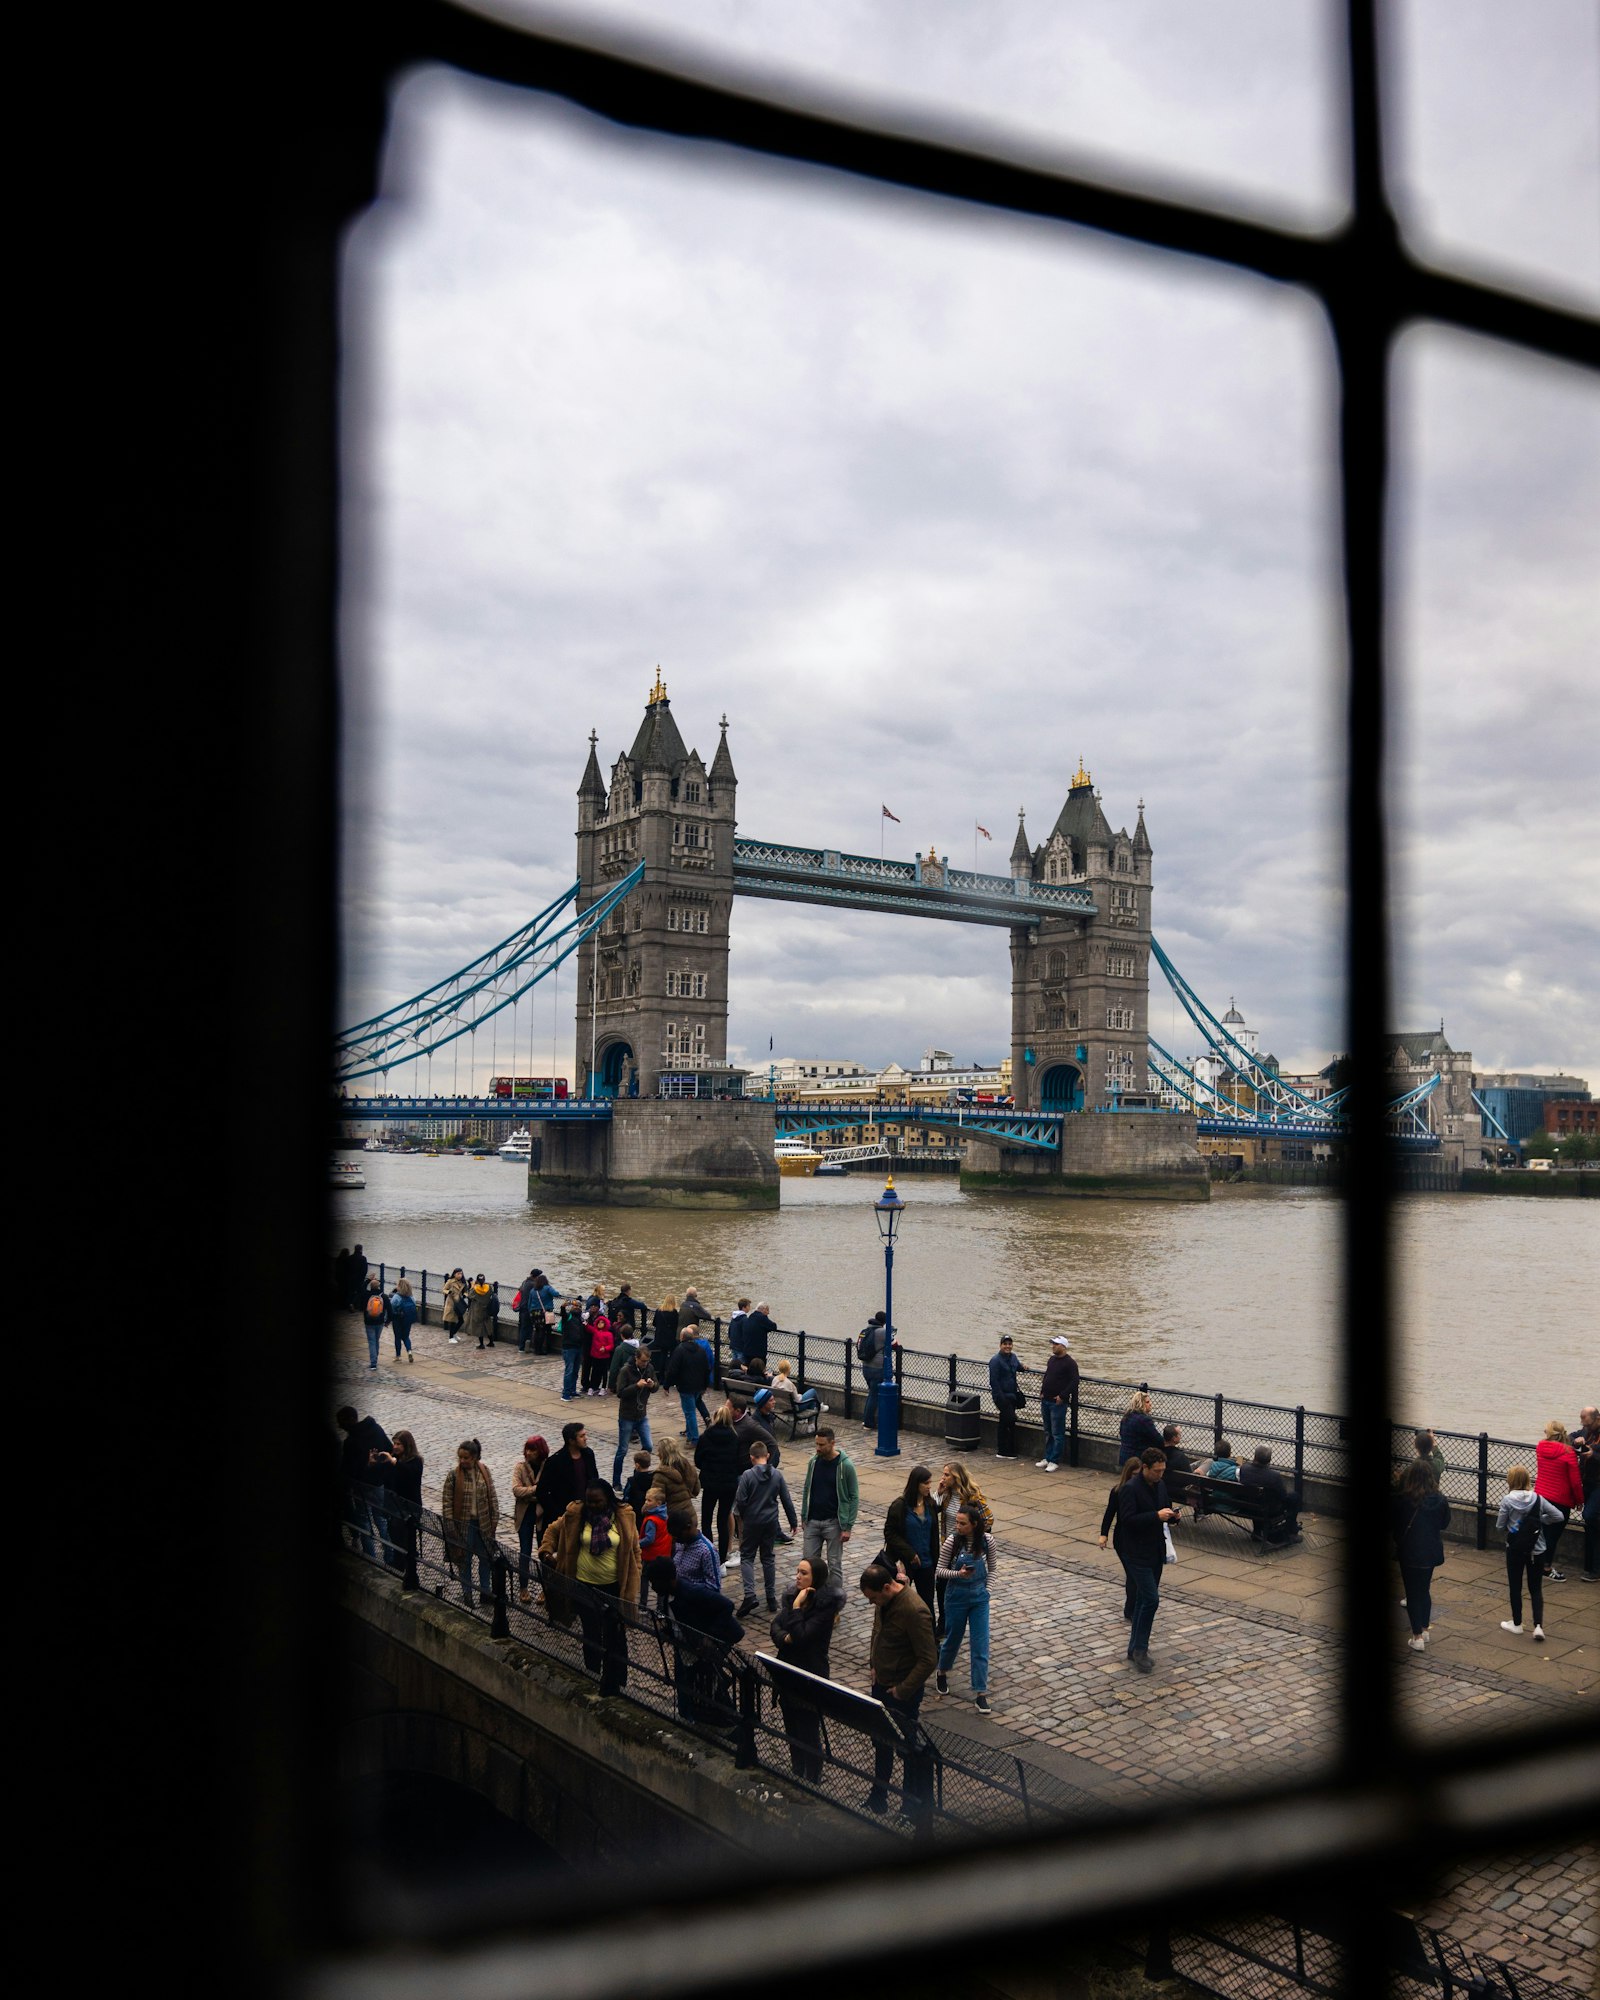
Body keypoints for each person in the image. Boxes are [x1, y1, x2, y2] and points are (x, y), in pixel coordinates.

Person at [539, 1481, 639, 1695]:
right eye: (589, 1501)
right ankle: (592, 1676)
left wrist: (635, 1575)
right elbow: (552, 1531)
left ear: (608, 1500)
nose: (592, 1505)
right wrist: (546, 1551)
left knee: (616, 1638)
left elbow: (635, 1550)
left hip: (613, 1588)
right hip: (583, 1585)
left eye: (598, 1501)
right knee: (591, 1634)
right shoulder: (576, 1514)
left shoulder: (624, 1516)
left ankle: (617, 1682)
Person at [859, 1560, 938, 1815]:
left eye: (873, 1599)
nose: (872, 1604)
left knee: (908, 1751)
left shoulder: (914, 1610)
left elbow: (928, 1658)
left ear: (885, 1587)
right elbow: (876, 1632)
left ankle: (910, 1808)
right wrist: (873, 1665)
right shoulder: (883, 1602)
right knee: (881, 1744)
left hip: (902, 1693)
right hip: (881, 1685)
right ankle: (878, 1797)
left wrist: (903, 1689)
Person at [769, 1556, 845, 1781]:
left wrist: (795, 1609)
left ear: (816, 1578)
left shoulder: (825, 1607)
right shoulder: (795, 1595)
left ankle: (812, 1776)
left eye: (804, 1573)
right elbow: (775, 1626)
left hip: (809, 1675)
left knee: (808, 1729)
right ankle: (796, 1770)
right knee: (791, 1726)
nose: (798, 1576)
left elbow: (803, 1636)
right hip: (788, 1672)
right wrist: (786, 1638)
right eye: (798, 1571)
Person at [648, 1558, 745, 1725]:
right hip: (688, 1646)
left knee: (710, 1682)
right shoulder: (666, 1597)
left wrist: (710, 1637)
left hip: (713, 1642)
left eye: (655, 1582)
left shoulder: (691, 1592)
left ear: (668, 1580)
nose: (653, 1587)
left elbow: (727, 1605)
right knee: (688, 1681)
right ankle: (691, 1716)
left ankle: (728, 1721)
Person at [1117, 1447, 1180, 1673]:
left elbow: (1164, 1510)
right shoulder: (1129, 1489)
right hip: (1135, 1553)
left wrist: (1173, 1517)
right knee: (1151, 1599)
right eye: (1156, 1471)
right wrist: (1156, 1516)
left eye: (1163, 1470)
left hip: (1155, 1552)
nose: (1160, 1475)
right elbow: (1128, 1520)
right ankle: (1140, 1649)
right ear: (1145, 1468)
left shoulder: (1160, 1485)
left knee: (1145, 1599)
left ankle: (1134, 1647)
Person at [934, 1503, 997, 1714]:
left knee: (981, 1644)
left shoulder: (987, 1541)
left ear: (974, 1524)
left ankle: (980, 1693)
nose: (957, 1526)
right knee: (953, 1638)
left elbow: (993, 1568)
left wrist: (987, 1590)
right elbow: (940, 1571)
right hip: (956, 1597)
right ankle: (942, 1671)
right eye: (957, 1522)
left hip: (979, 1598)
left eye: (962, 1523)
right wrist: (958, 1574)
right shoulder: (952, 1542)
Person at [732, 1439, 799, 1616]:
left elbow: (740, 1500)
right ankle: (770, 1597)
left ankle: (750, 1595)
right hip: (770, 1522)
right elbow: (786, 1498)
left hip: (752, 1521)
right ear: (767, 1456)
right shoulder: (777, 1475)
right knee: (768, 1557)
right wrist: (793, 1521)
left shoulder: (747, 1475)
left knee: (747, 1556)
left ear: (751, 1457)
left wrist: (744, 1516)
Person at [1391, 1459, 1451, 1652]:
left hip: (1409, 1550)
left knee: (1412, 1593)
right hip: (1430, 1551)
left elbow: (1394, 1525)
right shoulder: (1440, 1500)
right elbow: (1444, 1523)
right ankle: (1425, 1629)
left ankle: (1416, 1636)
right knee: (1424, 1590)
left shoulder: (1402, 1499)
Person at [1496, 1466, 1562, 1639]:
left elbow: (1500, 1526)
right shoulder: (1538, 1499)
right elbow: (1559, 1516)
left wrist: (1514, 1526)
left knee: (1515, 1586)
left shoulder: (1507, 1500)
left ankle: (1517, 1624)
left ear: (1510, 1481)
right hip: (1537, 1550)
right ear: (1527, 1480)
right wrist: (1539, 1521)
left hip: (1515, 1549)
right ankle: (1538, 1626)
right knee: (1536, 1588)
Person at [934, 1462, 993, 1637]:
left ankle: (962, 1618)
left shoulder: (971, 1497)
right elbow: (932, 1508)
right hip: (947, 1545)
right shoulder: (945, 1494)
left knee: (963, 1583)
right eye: (943, 1474)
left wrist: (972, 1539)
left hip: (964, 1548)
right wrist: (938, 1491)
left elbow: (988, 1519)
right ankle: (944, 1622)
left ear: (957, 1478)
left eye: (947, 1475)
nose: (943, 1478)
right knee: (942, 1584)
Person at [441, 1440, 500, 1607]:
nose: (462, 1461)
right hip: (463, 1526)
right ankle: (467, 1593)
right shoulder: (453, 1475)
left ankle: (485, 1592)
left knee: (485, 1559)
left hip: (483, 1524)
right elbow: (447, 1504)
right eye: (460, 1457)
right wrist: (451, 1528)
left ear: (474, 1457)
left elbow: (492, 1496)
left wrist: (494, 1519)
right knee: (464, 1560)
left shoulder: (484, 1471)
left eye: (466, 1457)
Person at [800, 1427, 859, 1589]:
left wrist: (848, 1526)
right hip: (812, 1522)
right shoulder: (813, 1462)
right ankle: (811, 1598)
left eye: (822, 1445)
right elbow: (807, 1489)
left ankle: (834, 1602)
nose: (818, 1448)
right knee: (808, 1563)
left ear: (832, 1443)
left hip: (833, 1523)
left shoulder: (845, 1466)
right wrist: (804, 1516)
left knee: (834, 1565)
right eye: (816, 1444)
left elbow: (854, 1497)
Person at [336, 1404, 393, 1559]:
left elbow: (348, 1470)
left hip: (362, 1487)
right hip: (378, 1483)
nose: (340, 1425)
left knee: (364, 1522)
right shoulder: (376, 1429)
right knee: (380, 1519)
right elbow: (389, 1448)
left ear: (352, 1419)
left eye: (342, 1421)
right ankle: (390, 1556)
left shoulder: (350, 1442)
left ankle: (370, 1558)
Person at [884, 1464, 939, 1622]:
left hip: (927, 1562)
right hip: (904, 1563)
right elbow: (890, 1533)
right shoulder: (900, 1506)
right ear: (916, 1484)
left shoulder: (930, 1505)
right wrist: (909, 1553)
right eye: (926, 1483)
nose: (929, 1486)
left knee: (927, 1603)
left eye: (930, 1483)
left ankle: (930, 1640)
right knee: (899, 1602)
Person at [1097, 1455, 1146, 1622]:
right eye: (1134, 1475)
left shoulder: (1144, 1491)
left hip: (1138, 1540)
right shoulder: (1118, 1491)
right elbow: (1109, 1514)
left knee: (1135, 1576)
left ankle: (1133, 1607)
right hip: (1123, 1540)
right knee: (1132, 1575)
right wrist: (1104, 1534)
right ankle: (1130, 1609)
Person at [1534, 1421, 1584, 1581]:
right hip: (1560, 1500)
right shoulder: (1568, 1452)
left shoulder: (1540, 1447)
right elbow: (1575, 1482)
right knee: (1552, 1535)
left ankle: (1536, 1564)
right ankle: (1546, 1568)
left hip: (1540, 1496)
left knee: (1540, 1533)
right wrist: (1579, 1501)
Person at [694, 1403, 743, 1561]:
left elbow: (697, 1460)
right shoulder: (735, 1438)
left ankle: (709, 1555)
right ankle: (722, 1559)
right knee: (722, 1520)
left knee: (706, 1520)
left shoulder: (706, 1437)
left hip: (710, 1483)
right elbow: (739, 1461)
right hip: (729, 1484)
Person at [371, 1429, 423, 1573]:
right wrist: (373, 1465)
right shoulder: (394, 1460)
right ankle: (398, 1568)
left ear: (407, 1445)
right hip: (394, 1507)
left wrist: (393, 1462)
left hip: (410, 1508)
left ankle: (409, 1572)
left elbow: (410, 1475)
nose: (394, 1446)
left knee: (407, 1542)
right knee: (395, 1539)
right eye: (394, 1443)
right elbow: (384, 1478)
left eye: (398, 1444)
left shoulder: (416, 1461)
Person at [611, 1341, 658, 1485]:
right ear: (636, 1358)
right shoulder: (626, 1371)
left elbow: (656, 1386)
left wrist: (652, 1385)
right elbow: (620, 1392)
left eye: (647, 1361)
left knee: (648, 1446)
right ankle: (616, 1481)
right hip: (627, 1416)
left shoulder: (649, 1368)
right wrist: (636, 1386)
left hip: (641, 1415)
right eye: (643, 1361)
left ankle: (637, 1475)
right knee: (623, 1450)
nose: (645, 1363)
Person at [535, 1421, 600, 1522]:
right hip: (566, 1514)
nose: (585, 1438)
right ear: (571, 1440)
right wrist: (557, 1513)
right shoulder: (556, 1461)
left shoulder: (588, 1454)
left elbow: (594, 1480)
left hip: (587, 1512)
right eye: (581, 1436)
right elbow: (542, 1491)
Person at [511, 1435, 549, 1604]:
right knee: (524, 1551)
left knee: (544, 1551)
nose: (528, 1453)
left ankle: (545, 1589)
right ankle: (523, 1587)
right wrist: (536, 1491)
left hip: (542, 1512)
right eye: (527, 1449)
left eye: (532, 1449)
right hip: (525, 1512)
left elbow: (548, 1490)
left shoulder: (547, 1467)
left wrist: (530, 1492)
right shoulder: (520, 1467)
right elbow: (516, 1490)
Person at [1241, 1445, 1302, 1544]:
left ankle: (1257, 1531)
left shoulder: (1244, 1468)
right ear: (1269, 1459)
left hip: (1247, 1508)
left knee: (1257, 1499)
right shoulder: (1274, 1476)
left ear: (1255, 1456)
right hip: (1268, 1511)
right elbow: (1283, 1496)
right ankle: (1292, 1531)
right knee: (1294, 1497)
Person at [664, 1325, 714, 1441]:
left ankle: (694, 1438)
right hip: (698, 1385)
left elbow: (673, 1370)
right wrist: (705, 1385)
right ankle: (690, 1433)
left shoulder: (680, 1350)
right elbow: (706, 1368)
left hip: (686, 1386)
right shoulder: (700, 1349)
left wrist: (667, 1385)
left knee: (689, 1412)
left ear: (682, 1337)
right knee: (691, 1409)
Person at [1035, 1334, 1077, 1471]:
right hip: (1046, 1399)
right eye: (1052, 1344)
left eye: (1056, 1344)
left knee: (1057, 1433)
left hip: (1057, 1403)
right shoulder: (1052, 1360)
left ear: (1063, 1346)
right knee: (1048, 1431)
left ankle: (1054, 1460)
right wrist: (1042, 1390)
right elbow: (1047, 1375)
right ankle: (1047, 1457)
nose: (1053, 1346)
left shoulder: (1070, 1363)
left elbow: (1074, 1381)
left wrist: (1063, 1396)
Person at [1572, 1407, 1599, 1582]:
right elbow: (1569, 1436)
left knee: (1590, 1516)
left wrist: (1594, 1454)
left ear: (1596, 1418)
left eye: (1584, 1419)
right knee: (1590, 1524)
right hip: (1588, 1482)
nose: (1582, 1423)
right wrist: (1576, 1441)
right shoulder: (1585, 1431)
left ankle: (1595, 1568)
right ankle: (1591, 1567)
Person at [988, 1335, 1023, 1459]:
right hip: (1002, 1396)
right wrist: (1000, 1397)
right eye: (1005, 1344)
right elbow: (994, 1381)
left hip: (1012, 1395)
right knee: (1010, 1419)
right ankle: (1005, 1450)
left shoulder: (1013, 1357)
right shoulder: (995, 1361)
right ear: (1000, 1345)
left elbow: (1017, 1366)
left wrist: (1023, 1368)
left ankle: (1003, 1450)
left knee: (1005, 1422)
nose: (1007, 1346)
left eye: (1009, 1344)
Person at [858, 1312, 889, 1428]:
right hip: (877, 1368)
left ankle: (866, 1419)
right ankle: (868, 1423)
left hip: (866, 1367)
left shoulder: (865, 1330)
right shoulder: (882, 1332)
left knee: (872, 1394)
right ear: (885, 1321)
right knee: (874, 1395)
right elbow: (894, 1344)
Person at [1118, 1391, 1163, 1463]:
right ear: (1141, 1404)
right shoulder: (1144, 1420)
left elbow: (1121, 1433)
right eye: (1147, 1402)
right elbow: (1157, 1439)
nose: (1150, 1404)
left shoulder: (1126, 1417)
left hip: (1124, 1455)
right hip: (1138, 1458)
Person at [581, 1303, 615, 1395]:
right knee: (595, 1371)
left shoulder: (609, 1334)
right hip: (595, 1355)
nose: (600, 1324)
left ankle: (603, 1387)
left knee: (603, 1372)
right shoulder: (595, 1331)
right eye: (599, 1322)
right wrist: (585, 1322)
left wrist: (605, 1348)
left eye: (602, 1322)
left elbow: (611, 1345)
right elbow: (588, 1328)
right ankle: (593, 1387)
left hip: (604, 1356)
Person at [558, 1297, 586, 1399]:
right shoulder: (568, 1316)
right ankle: (565, 1394)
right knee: (569, 1371)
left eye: (579, 1306)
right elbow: (562, 1313)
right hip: (569, 1348)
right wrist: (563, 1306)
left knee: (575, 1371)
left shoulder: (581, 1319)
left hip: (578, 1347)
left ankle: (572, 1390)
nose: (577, 1308)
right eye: (575, 1306)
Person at [463, 1273, 497, 1351]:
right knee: (488, 1325)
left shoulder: (475, 1289)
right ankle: (491, 1342)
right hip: (486, 1309)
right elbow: (491, 1294)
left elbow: (470, 1296)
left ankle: (481, 1344)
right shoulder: (489, 1287)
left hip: (477, 1310)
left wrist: (472, 1285)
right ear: (484, 1280)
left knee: (479, 1327)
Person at [361, 1277, 389, 1369]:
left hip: (369, 1322)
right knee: (376, 1340)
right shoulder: (383, 1296)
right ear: (379, 1286)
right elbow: (390, 1310)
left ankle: (373, 1363)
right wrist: (387, 1322)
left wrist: (368, 1280)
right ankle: (375, 1359)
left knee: (371, 1341)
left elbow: (361, 1288)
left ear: (371, 1287)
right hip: (379, 1322)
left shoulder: (366, 1295)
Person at [388, 1277, 418, 1363]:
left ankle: (398, 1356)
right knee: (406, 1337)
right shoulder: (411, 1297)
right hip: (407, 1320)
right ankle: (409, 1352)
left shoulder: (396, 1297)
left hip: (397, 1319)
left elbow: (392, 1308)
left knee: (397, 1337)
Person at [649, 1294, 680, 1371]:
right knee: (672, 1355)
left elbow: (654, 1323)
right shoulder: (674, 1312)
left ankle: (661, 1374)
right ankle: (670, 1372)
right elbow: (676, 1325)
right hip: (671, 1338)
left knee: (663, 1355)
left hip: (660, 1337)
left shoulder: (659, 1310)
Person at [622, 1448, 655, 1521]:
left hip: (636, 1511)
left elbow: (626, 1496)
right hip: (651, 1510)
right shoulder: (654, 1478)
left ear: (637, 1465)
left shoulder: (632, 1480)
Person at [742, 1301, 776, 1367]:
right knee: (759, 1371)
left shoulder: (751, 1316)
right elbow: (773, 1326)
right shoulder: (762, 1318)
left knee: (749, 1371)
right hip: (758, 1353)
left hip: (747, 1351)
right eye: (767, 1310)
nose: (768, 1313)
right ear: (763, 1309)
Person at [440, 1268, 467, 1345]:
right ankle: (451, 1337)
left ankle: (454, 1333)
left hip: (459, 1303)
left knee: (461, 1320)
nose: (460, 1275)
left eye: (461, 1274)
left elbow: (466, 1291)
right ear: (454, 1274)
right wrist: (449, 1292)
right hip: (451, 1303)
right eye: (458, 1274)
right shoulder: (450, 1281)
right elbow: (443, 1290)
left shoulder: (463, 1282)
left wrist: (465, 1295)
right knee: (452, 1321)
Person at [726, 1298, 753, 1366]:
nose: (749, 1308)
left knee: (734, 1364)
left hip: (733, 1345)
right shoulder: (744, 1319)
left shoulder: (734, 1318)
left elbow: (729, 1331)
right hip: (741, 1347)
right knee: (741, 1366)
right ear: (744, 1307)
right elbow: (746, 1334)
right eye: (748, 1306)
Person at [347, 1243, 369, 1313]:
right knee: (360, 1292)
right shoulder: (363, 1258)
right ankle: (354, 1304)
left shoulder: (349, 1258)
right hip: (359, 1279)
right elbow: (364, 1270)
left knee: (351, 1292)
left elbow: (346, 1268)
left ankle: (350, 1303)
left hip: (350, 1278)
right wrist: (362, 1278)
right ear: (361, 1250)